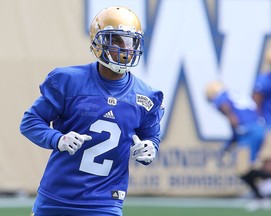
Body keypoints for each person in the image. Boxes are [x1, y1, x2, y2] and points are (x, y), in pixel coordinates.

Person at [20, 6, 164, 216]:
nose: (125, 49)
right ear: (99, 42)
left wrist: (150, 147)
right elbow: (30, 121)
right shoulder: (69, 81)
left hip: (105, 203)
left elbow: (151, 136)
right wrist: (58, 139)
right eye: (116, 41)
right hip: (56, 197)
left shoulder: (146, 96)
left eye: (131, 41)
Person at [205, 80, 271, 211]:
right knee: (246, 169)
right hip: (258, 128)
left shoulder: (222, 99)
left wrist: (235, 126)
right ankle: (261, 195)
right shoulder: (236, 95)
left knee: (243, 169)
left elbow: (230, 114)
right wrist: (230, 143)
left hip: (249, 131)